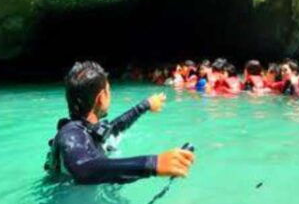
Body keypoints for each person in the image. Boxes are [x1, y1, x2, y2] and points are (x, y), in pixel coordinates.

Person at [45, 61, 195, 184]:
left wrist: (145, 105)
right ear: (101, 97)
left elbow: (114, 128)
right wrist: (153, 163)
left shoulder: (86, 130)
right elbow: (82, 168)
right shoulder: (70, 133)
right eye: (109, 90)